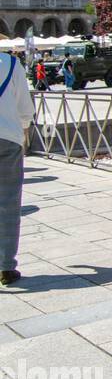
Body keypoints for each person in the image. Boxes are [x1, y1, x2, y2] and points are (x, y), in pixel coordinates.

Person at [0, 46, 35, 285]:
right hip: (8, 139)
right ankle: (6, 267)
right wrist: (23, 131)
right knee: (8, 203)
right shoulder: (11, 64)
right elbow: (25, 108)